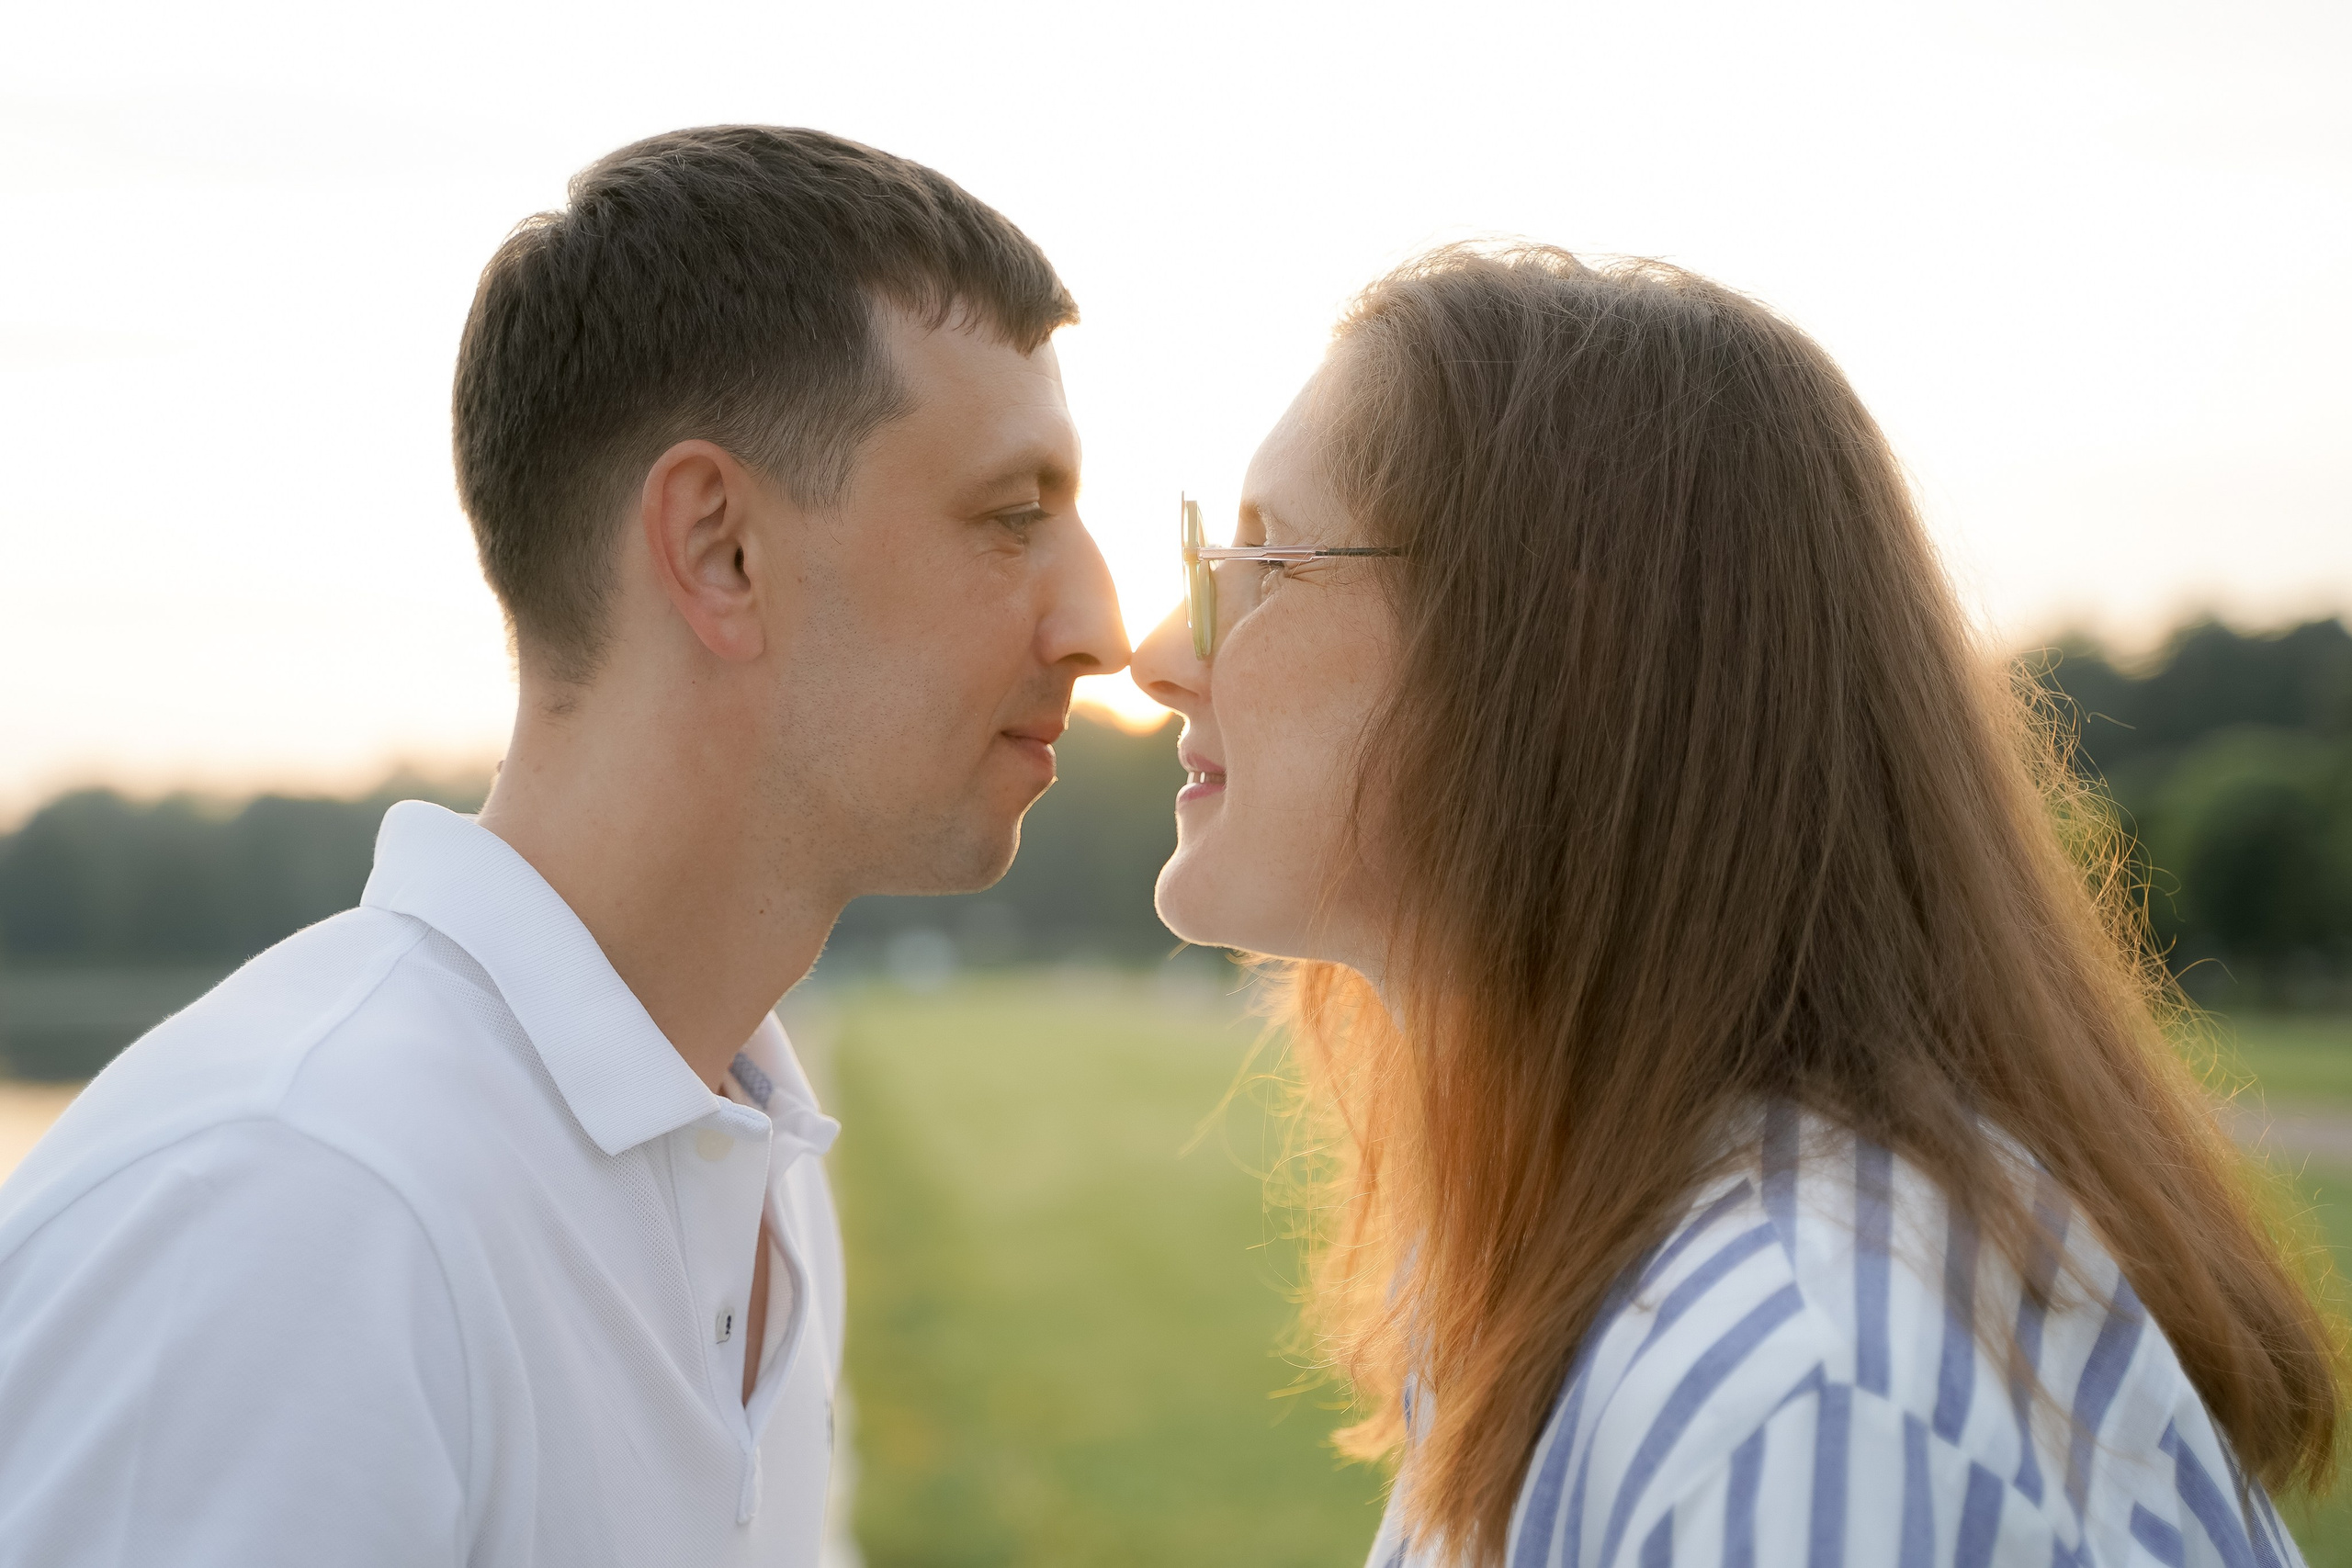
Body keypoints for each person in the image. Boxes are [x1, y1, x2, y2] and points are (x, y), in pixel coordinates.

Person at [0, 126, 1125, 1566]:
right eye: (1012, 518)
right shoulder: (301, 1208)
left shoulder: (750, 1164)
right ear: (720, 550)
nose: (1100, 627)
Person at [1130, 244, 2335, 1568]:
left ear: (1564, 663)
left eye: (1267, 563)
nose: (1161, 654)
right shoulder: (1608, 1266)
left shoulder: (1799, 1392)